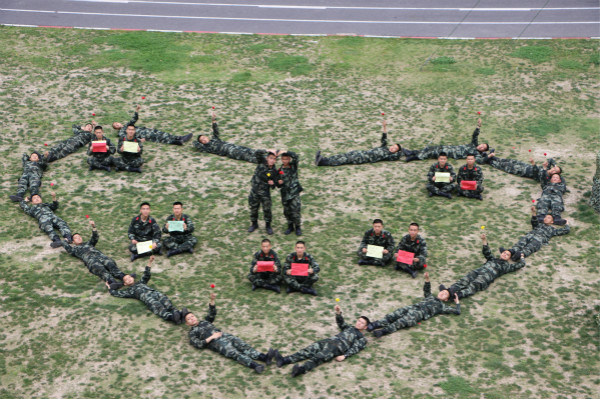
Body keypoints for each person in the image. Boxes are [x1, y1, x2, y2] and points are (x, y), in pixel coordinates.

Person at [186, 293, 272, 374]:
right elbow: (198, 344)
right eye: (189, 319)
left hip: (225, 336)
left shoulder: (204, 321)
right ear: (187, 323)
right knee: (235, 353)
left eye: (192, 316)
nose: (192, 318)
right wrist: (212, 337)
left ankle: (264, 358)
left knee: (243, 345)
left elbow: (212, 314)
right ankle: (255, 366)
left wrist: (212, 300)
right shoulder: (192, 333)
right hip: (217, 343)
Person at [273, 305, 369, 377]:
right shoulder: (349, 328)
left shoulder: (361, 338)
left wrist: (344, 356)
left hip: (336, 348)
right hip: (327, 341)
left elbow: (355, 348)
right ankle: (284, 360)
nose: (359, 323)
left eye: (362, 323)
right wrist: (338, 313)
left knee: (317, 358)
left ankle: (300, 370)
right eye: (358, 321)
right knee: (307, 351)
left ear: (365, 327)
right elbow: (341, 323)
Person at [367, 272, 460, 338]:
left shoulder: (442, 306)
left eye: (445, 295)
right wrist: (427, 280)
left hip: (418, 315)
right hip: (412, 307)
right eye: (443, 292)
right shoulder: (430, 297)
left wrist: (457, 303)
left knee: (400, 322)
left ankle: (383, 331)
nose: (442, 294)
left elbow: (456, 311)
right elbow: (427, 290)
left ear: (446, 299)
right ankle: (376, 324)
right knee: (394, 315)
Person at [442, 233, 526, 300]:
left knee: (472, 287)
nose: (505, 254)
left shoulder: (506, 267)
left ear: (509, 258)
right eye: (504, 253)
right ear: (501, 254)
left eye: (507, 255)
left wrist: (522, 257)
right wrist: (484, 240)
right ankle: (448, 292)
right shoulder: (492, 259)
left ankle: (456, 296)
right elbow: (487, 252)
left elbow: (519, 265)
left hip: (485, 278)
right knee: (464, 280)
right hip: (478, 271)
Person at [106, 256, 187, 324]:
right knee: (158, 307)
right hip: (149, 300)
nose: (129, 279)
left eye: (129, 277)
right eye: (126, 279)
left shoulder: (141, 282)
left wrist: (150, 262)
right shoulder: (129, 291)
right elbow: (117, 293)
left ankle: (179, 314)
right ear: (125, 284)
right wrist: (109, 288)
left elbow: (146, 275)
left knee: (166, 301)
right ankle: (172, 317)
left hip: (156, 294)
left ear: (133, 278)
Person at [60, 220, 127, 283]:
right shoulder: (75, 249)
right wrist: (66, 240)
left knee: (110, 264)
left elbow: (95, 237)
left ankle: (124, 278)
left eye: (80, 237)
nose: (79, 238)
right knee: (101, 269)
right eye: (76, 238)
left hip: (101, 257)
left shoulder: (89, 243)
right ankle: (113, 283)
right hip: (92, 261)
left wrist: (93, 227)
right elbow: (67, 247)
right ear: (73, 241)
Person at [315, 120, 402, 166]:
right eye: (393, 146)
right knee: (342, 156)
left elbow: (398, 155)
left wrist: (401, 151)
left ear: (395, 152)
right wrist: (384, 126)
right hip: (361, 153)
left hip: (363, 158)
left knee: (344, 160)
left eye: (395, 149)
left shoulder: (389, 156)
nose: (392, 148)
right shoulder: (384, 147)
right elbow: (384, 138)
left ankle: (323, 162)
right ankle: (323, 159)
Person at [403, 118, 490, 163]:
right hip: (447, 147)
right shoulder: (474, 144)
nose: (481, 146)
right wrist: (478, 126)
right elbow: (475, 135)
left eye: (483, 148)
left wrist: (488, 156)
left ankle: (413, 157)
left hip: (449, 153)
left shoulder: (475, 154)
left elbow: (480, 161)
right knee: (429, 148)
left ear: (483, 151)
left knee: (430, 153)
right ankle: (411, 152)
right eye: (482, 145)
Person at [193, 111, 260, 163]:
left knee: (250, 150)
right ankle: (263, 162)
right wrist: (201, 143)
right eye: (202, 140)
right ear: (202, 143)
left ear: (207, 137)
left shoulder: (214, 139)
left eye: (204, 137)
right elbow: (195, 143)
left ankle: (266, 156)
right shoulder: (207, 147)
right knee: (246, 156)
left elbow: (216, 131)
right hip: (230, 151)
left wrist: (213, 121)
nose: (204, 140)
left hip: (234, 146)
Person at [111, 105, 192, 145]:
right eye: (116, 125)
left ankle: (179, 138)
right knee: (160, 138)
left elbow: (134, 119)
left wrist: (136, 110)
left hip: (146, 130)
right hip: (142, 135)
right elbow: (126, 138)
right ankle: (178, 141)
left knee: (162, 134)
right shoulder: (121, 132)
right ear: (116, 128)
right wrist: (138, 140)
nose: (118, 125)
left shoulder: (127, 125)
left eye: (117, 123)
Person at [485, 153, 563, 189]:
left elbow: (536, 173)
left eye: (555, 171)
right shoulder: (549, 167)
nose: (553, 170)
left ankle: (488, 161)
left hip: (523, 171)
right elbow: (550, 160)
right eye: (554, 169)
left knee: (505, 166)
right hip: (525, 165)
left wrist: (534, 164)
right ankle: (493, 157)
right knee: (509, 161)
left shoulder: (546, 177)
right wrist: (556, 166)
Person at [247, 150, 278, 235]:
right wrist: (267, 150)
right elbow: (257, 153)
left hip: (265, 193)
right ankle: (254, 224)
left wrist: (273, 184)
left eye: (274, 159)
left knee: (267, 210)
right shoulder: (261, 162)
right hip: (255, 191)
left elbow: (275, 184)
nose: (272, 160)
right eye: (271, 158)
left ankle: (268, 226)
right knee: (253, 208)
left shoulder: (275, 171)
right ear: (267, 158)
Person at [277, 151, 303, 236]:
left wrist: (286, 151)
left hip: (294, 193)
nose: (285, 161)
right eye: (283, 159)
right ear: (281, 159)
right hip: (285, 194)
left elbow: (296, 156)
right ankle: (290, 226)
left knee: (295, 211)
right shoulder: (280, 170)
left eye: (287, 159)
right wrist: (278, 182)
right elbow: (277, 183)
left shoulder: (293, 166)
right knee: (287, 212)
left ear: (289, 159)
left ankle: (297, 227)